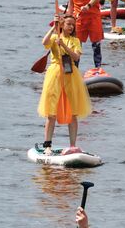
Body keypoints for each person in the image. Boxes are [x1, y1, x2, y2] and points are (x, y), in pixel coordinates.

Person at [36, 12, 92, 153]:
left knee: (73, 113)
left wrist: (64, 46)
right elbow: (44, 42)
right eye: (68, 24)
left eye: (73, 25)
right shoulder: (55, 37)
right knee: (51, 113)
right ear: (62, 25)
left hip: (71, 76)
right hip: (54, 75)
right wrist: (54, 27)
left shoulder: (75, 41)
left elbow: (76, 57)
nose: (71, 27)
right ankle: (47, 145)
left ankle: (73, 146)